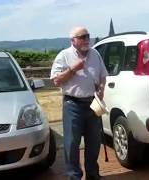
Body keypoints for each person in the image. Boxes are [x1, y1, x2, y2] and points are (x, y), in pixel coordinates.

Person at [50, 26, 108, 180]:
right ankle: (74, 176)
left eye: (87, 36)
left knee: (94, 142)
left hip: (92, 103)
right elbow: (56, 80)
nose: (86, 39)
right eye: (82, 37)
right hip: (73, 104)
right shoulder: (64, 56)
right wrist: (73, 69)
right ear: (73, 40)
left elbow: (103, 76)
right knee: (71, 144)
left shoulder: (95, 54)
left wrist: (101, 89)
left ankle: (93, 175)